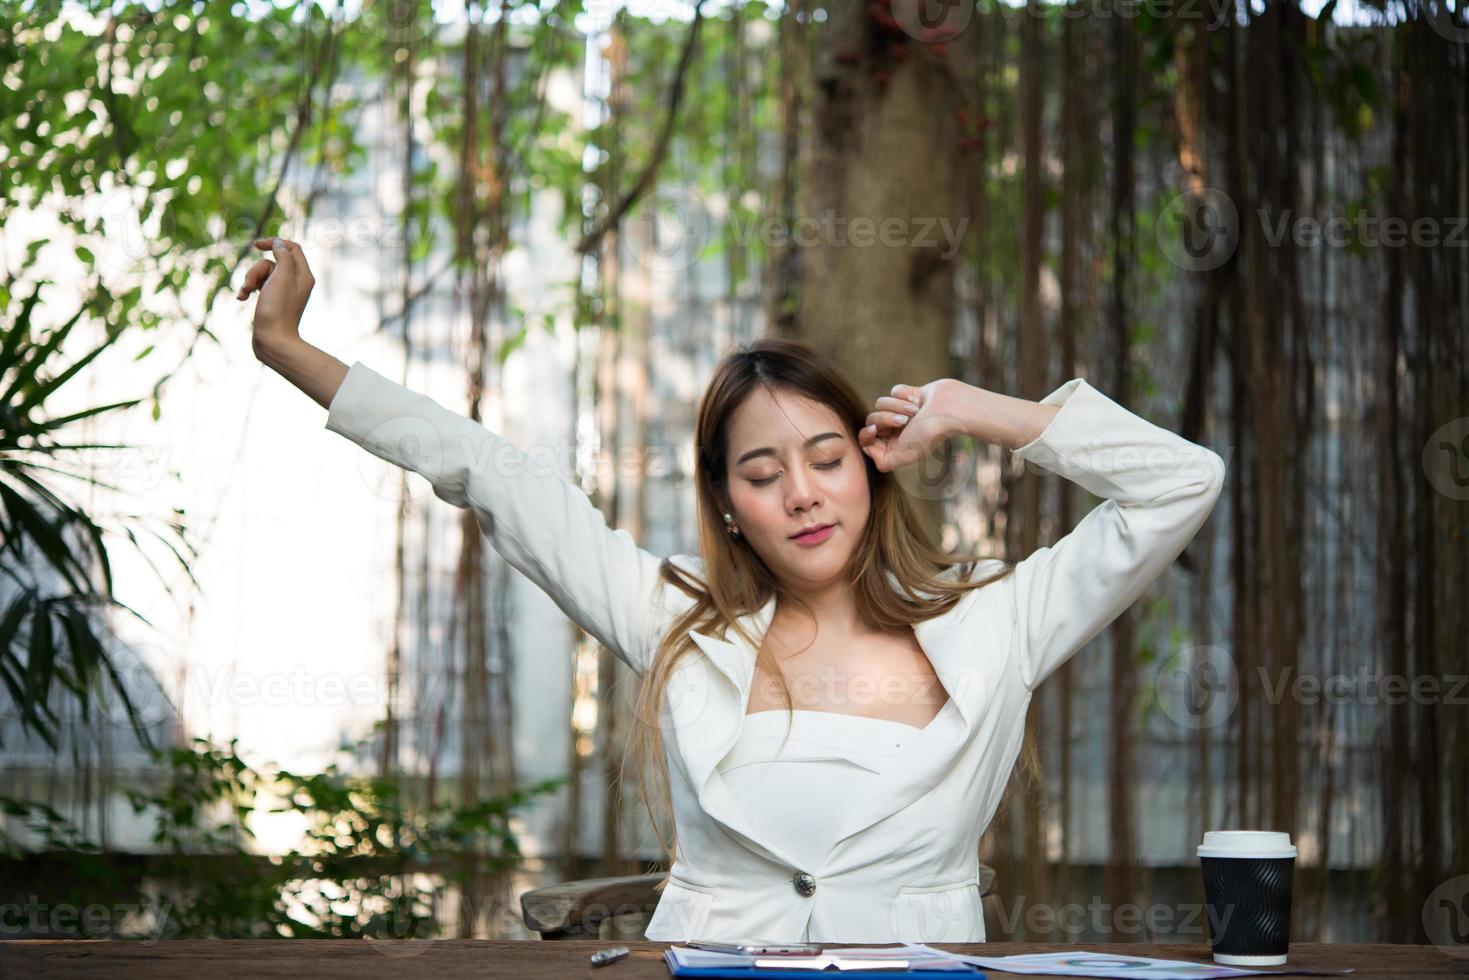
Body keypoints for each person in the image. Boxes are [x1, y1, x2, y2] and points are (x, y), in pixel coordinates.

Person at [241, 236, 1226, 943]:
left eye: (826, 457)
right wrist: (289, 348)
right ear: (724, 504)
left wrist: (971, 407)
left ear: (869, 466)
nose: (801, 493)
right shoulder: (671, 615)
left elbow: (1182, 480)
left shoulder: (993, 615)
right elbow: (491, 470)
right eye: (761, 474)